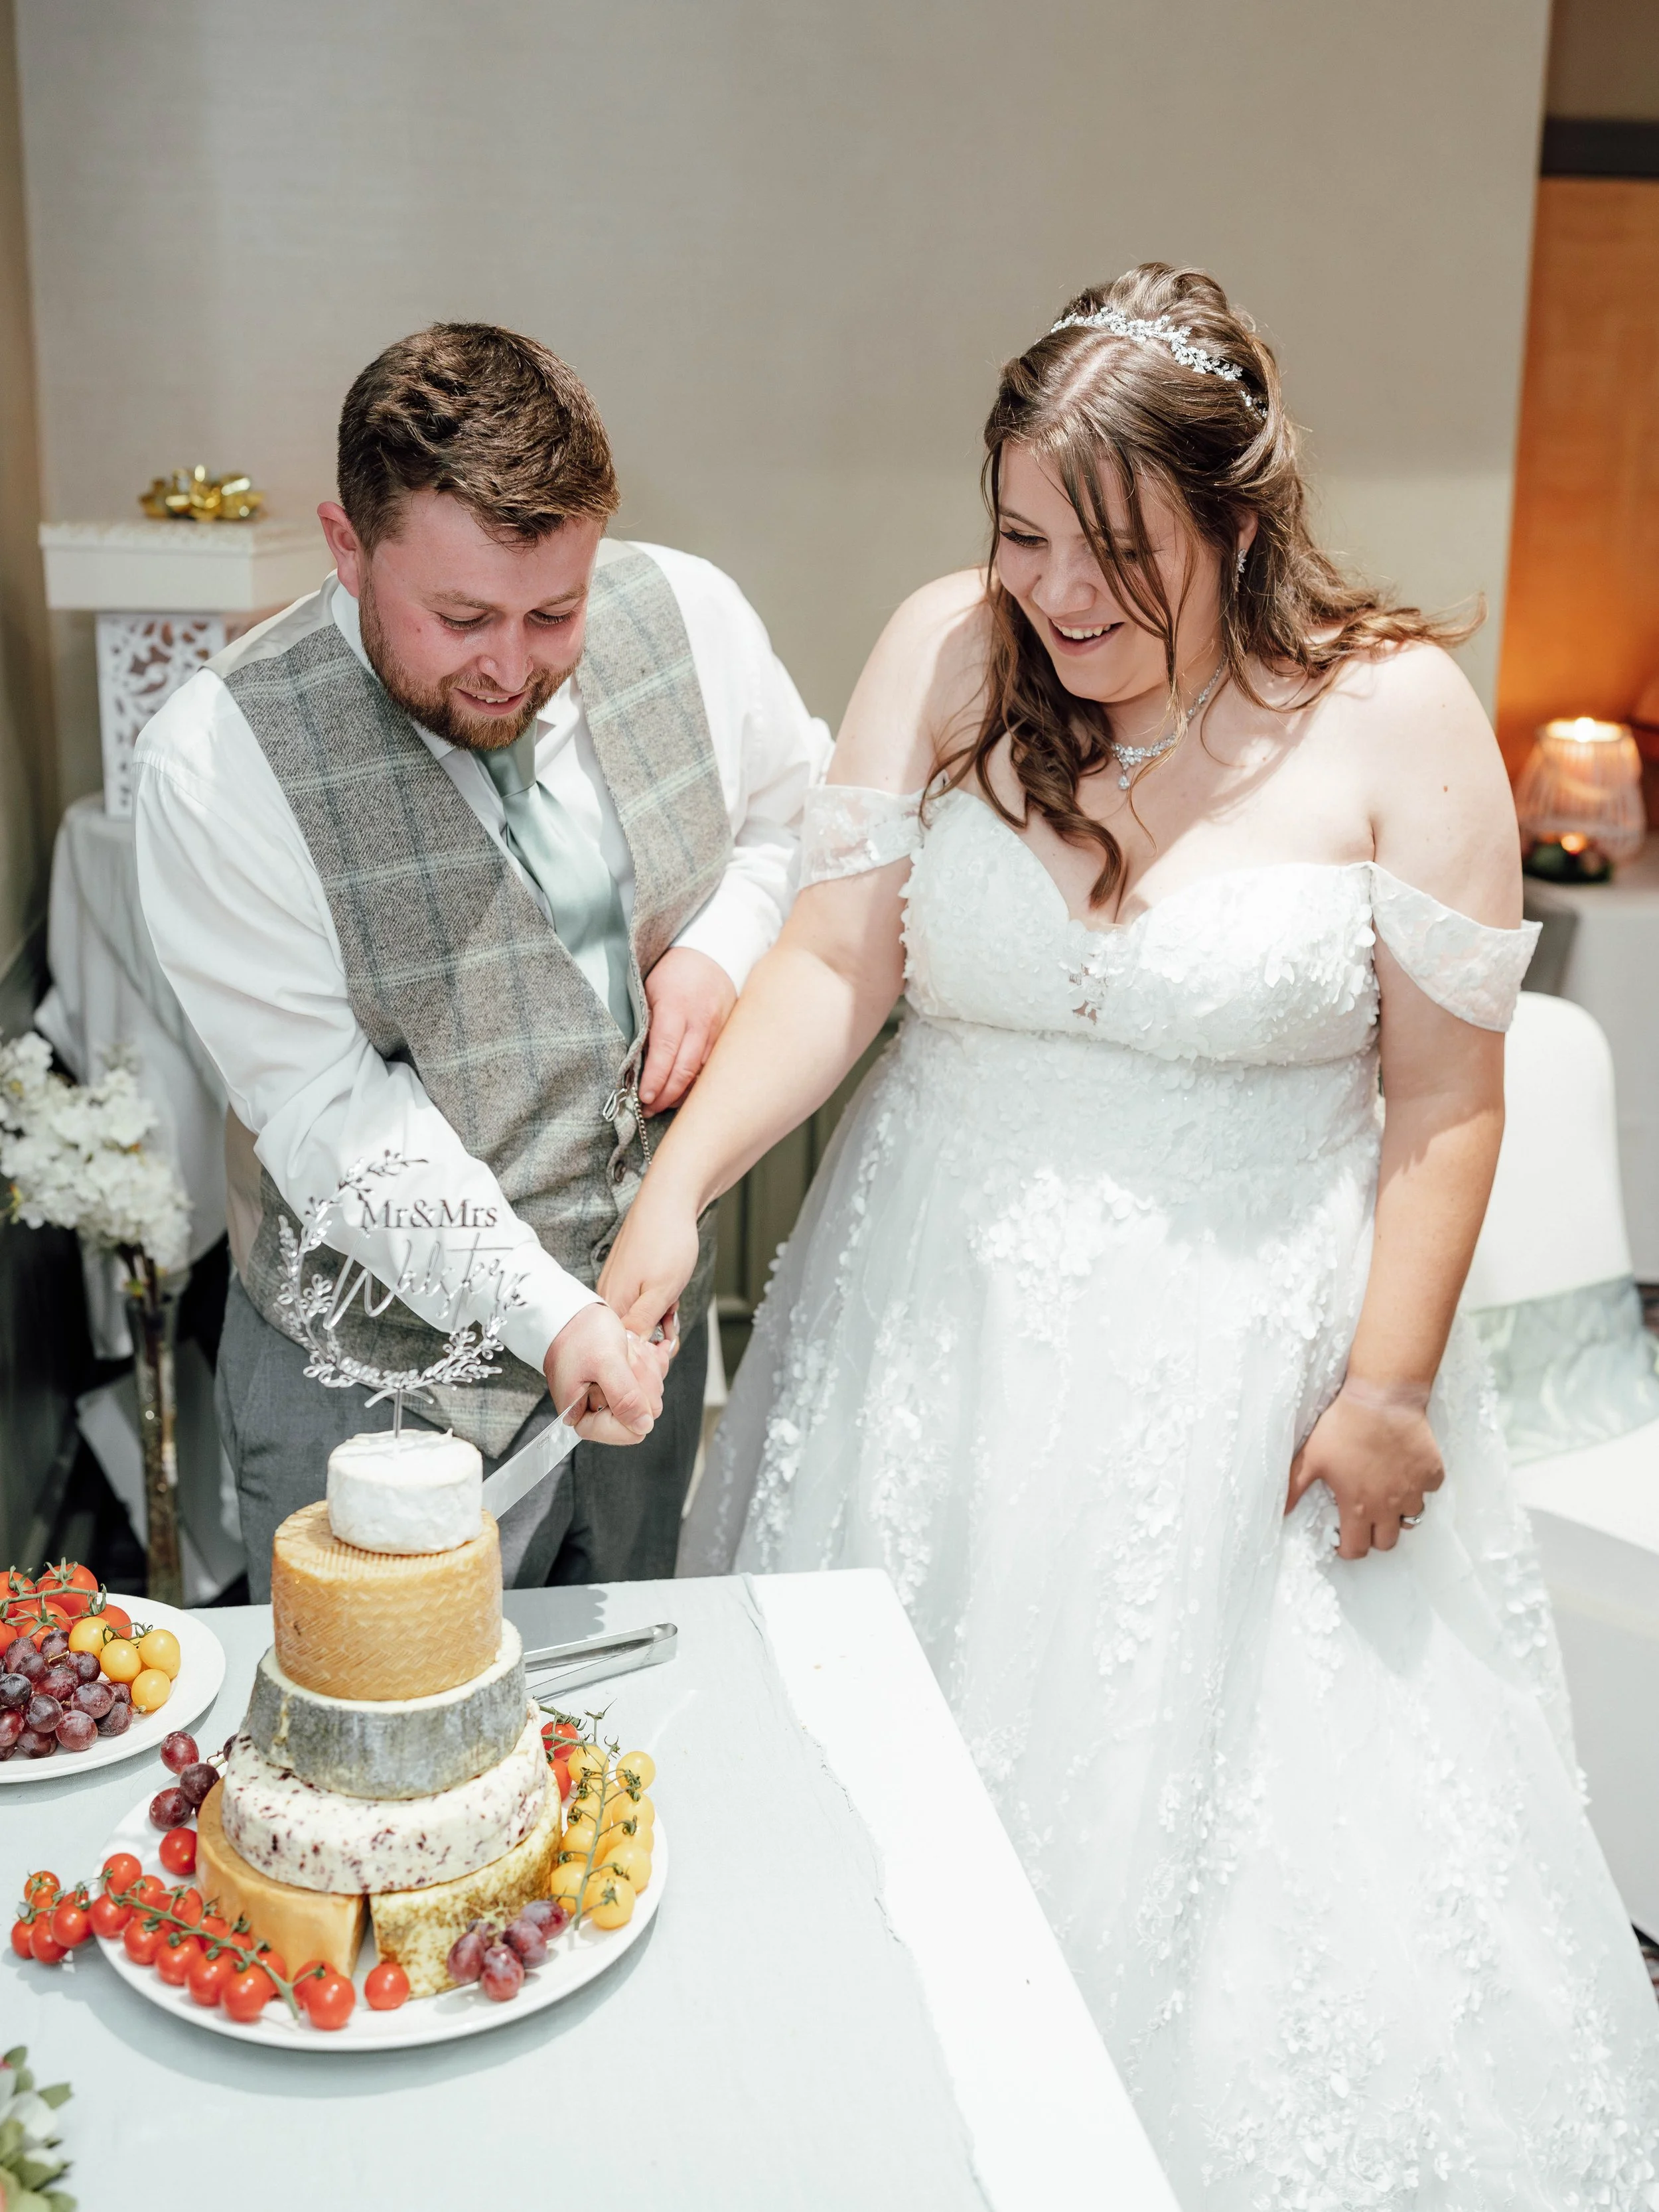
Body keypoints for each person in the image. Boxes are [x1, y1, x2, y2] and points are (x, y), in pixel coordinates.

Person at [601, 266, 1659, 2202]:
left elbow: (1444, 1096)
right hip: (932, 1323)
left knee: (1255, 1871)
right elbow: (836, 970)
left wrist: (1390, 1387)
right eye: (1019, 537)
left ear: (1235, 524)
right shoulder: (946, 647)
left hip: (1244, 1362)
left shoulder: (1393, 715)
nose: (1056, 598)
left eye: (1114, 552)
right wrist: (673, 1192)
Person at [136, 322, 828, 1597]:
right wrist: (551, 1317)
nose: (513, 664)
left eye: (554, 610)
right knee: (387, 1765)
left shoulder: (693, 613)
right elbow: (326, 1109)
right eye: (460, 616)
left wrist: (723, 950)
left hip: (646, 1349)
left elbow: (798, 820)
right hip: (375, 1397)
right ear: (347, 548)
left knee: (625, 1737)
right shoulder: (215, 761)